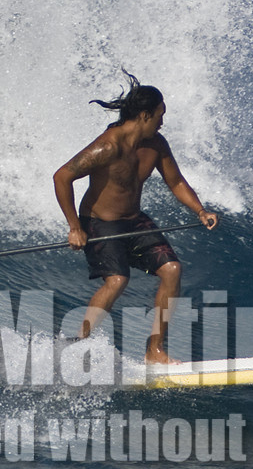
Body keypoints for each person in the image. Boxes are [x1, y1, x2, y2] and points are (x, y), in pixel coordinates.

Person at [53, 73, 218, 363]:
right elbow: (62, 176)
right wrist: (75, 227)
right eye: (159, 116)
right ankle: (78, 343)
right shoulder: (108, 146)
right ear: (144, 115)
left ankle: (154, 350)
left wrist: (200, 210)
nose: (162, 122)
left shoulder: (156, 145)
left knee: (172, 270)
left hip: (134, 220)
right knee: (116, 280)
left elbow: (176, 181)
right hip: (99, 222)